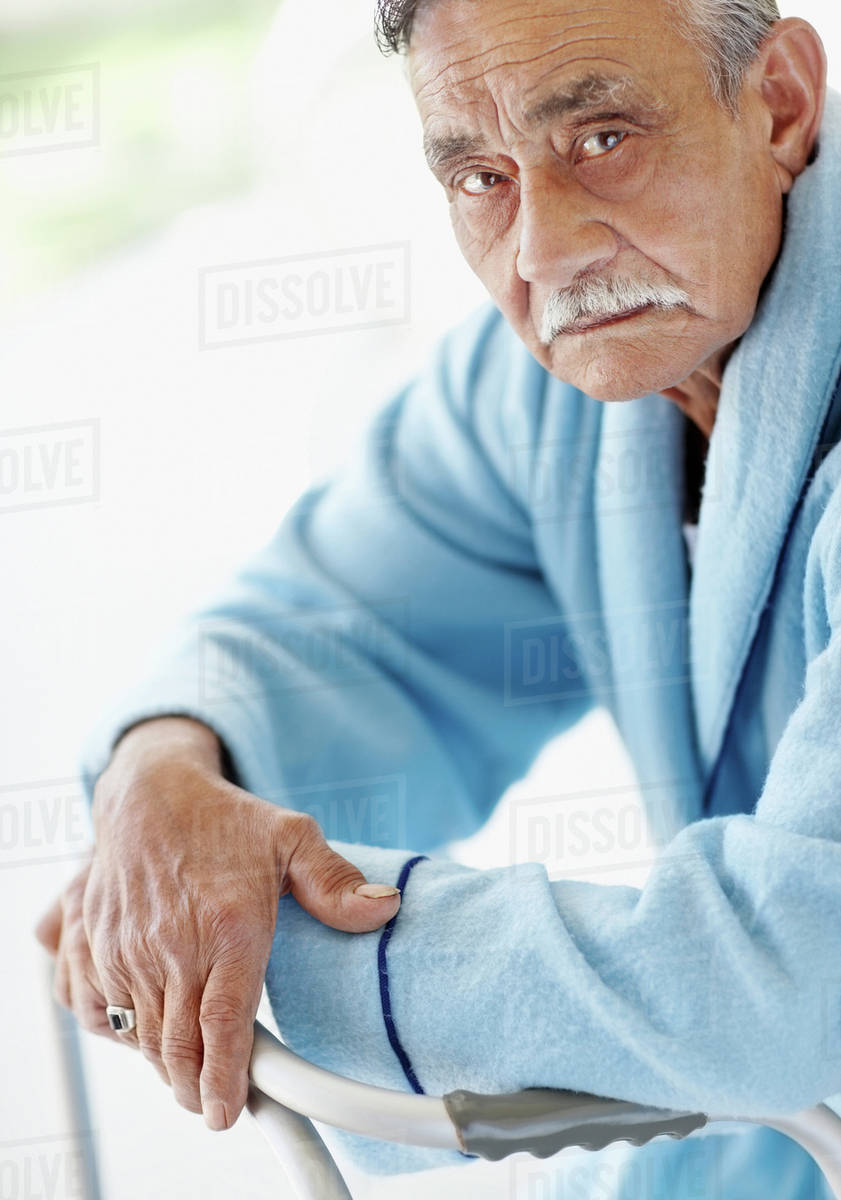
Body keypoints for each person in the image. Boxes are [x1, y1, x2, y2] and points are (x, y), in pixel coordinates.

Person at [34, 0, 841, 1194]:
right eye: (479, 176)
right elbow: (333, 636)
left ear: (776, 99)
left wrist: (242, 933)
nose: (542, 252)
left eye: (603, 139)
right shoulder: (550, 391)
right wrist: (165, 774)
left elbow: (799, 977)